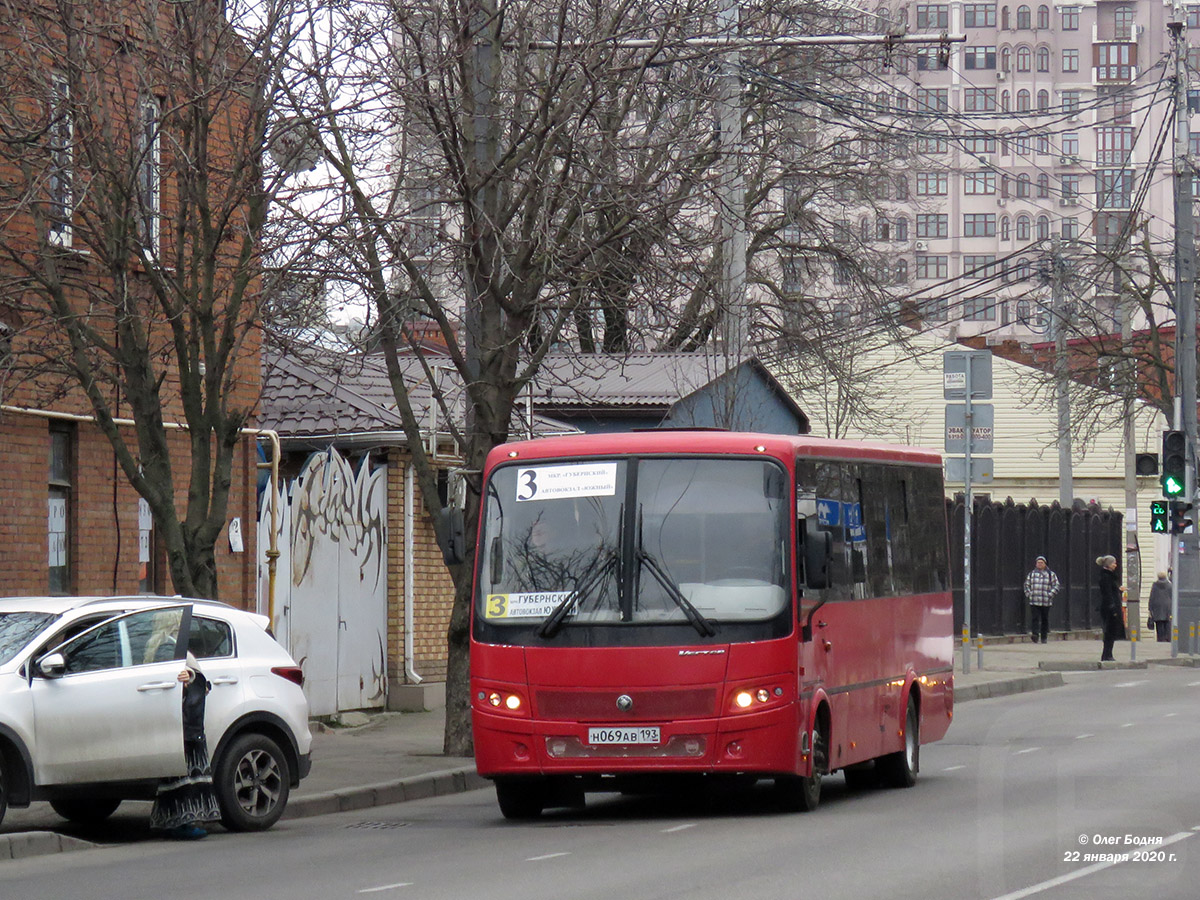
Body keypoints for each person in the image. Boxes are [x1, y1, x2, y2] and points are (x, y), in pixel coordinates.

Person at [150, 652, 221, 839]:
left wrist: (190, 677)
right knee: (180, 773)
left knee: (178, 773)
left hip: (180, 722)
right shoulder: (167, 646)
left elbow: (201, 684)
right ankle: (178, 821)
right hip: (178, 722)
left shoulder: (172, 647)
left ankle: (176, 820)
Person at [1023, 555, 1061, 644]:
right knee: (1035, 618)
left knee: (1045, 619)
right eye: (1038, 563)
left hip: (1045, 601)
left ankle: (1044, 637)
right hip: (1034, 600)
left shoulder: (1051, 574)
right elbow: (1026, 585)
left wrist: (1050, 594)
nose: (1039, 564)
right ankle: (1035, 635)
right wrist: (1029, 594)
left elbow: (1056, 585)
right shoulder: (1031, 574)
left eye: (1041, 563)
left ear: (1045, 564)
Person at [1096, 555, 1125, 662]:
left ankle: (1108, 654)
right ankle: (1107, 654)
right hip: (1110, 608)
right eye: (1114, 563)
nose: (1115, 565)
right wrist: (1112, 607)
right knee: (1109, 631)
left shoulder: (1109, 576)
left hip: (1112, 606)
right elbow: (1107, 594)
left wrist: (1118, 590)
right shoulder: (1106, 577)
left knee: (1112, 631)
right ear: (1108, 564)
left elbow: (1111, 591)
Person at [1147, 571, 1172, 643]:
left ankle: (1160, 638)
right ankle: (1167, 638)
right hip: (1168, 607)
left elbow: (1152, 597)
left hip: (1157, 607)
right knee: (1167, 623)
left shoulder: (1155, 585)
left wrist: (1150, 608)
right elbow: (1172, 597)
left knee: (1159, 623)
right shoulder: (1170, 585)